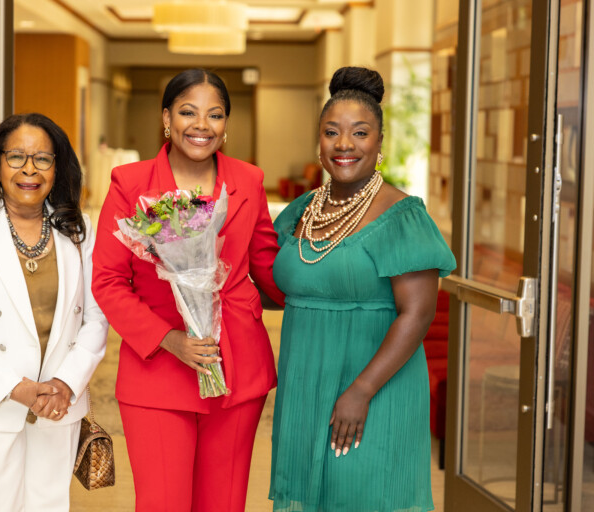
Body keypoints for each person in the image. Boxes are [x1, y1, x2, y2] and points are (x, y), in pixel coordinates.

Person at [92, 68, 284, 512]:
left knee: (225, 502)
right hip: (158, 369)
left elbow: (267, 264)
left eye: (214, 115)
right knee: (163, 502)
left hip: (236, 366)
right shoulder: (130, 182)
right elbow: (108, 279)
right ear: (166, 118)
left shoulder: (249, 180)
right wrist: (167, 339)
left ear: (226, 124)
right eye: (187, 112)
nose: (201, 125)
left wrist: (329, 277)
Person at [268, 67, 456, 512]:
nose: (344, 144)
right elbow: (274, 287)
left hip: (374, 384)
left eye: (360, 132)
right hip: (305, 382)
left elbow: (418, 313)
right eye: (332, 132)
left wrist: (362, 391)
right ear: (319, 140)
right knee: (313, 495)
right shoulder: (302, 211)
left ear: (379, 143)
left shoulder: (401, 215)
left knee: (365, 493)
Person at [0, 113, 109, 512]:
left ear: (58, 167)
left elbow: (96, 318)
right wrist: (17, 388)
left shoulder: (78, 231)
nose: (29, 169)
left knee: (48, 505)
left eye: (43, 159)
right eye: (16, 157)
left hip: (57, 403)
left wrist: (66, 382)